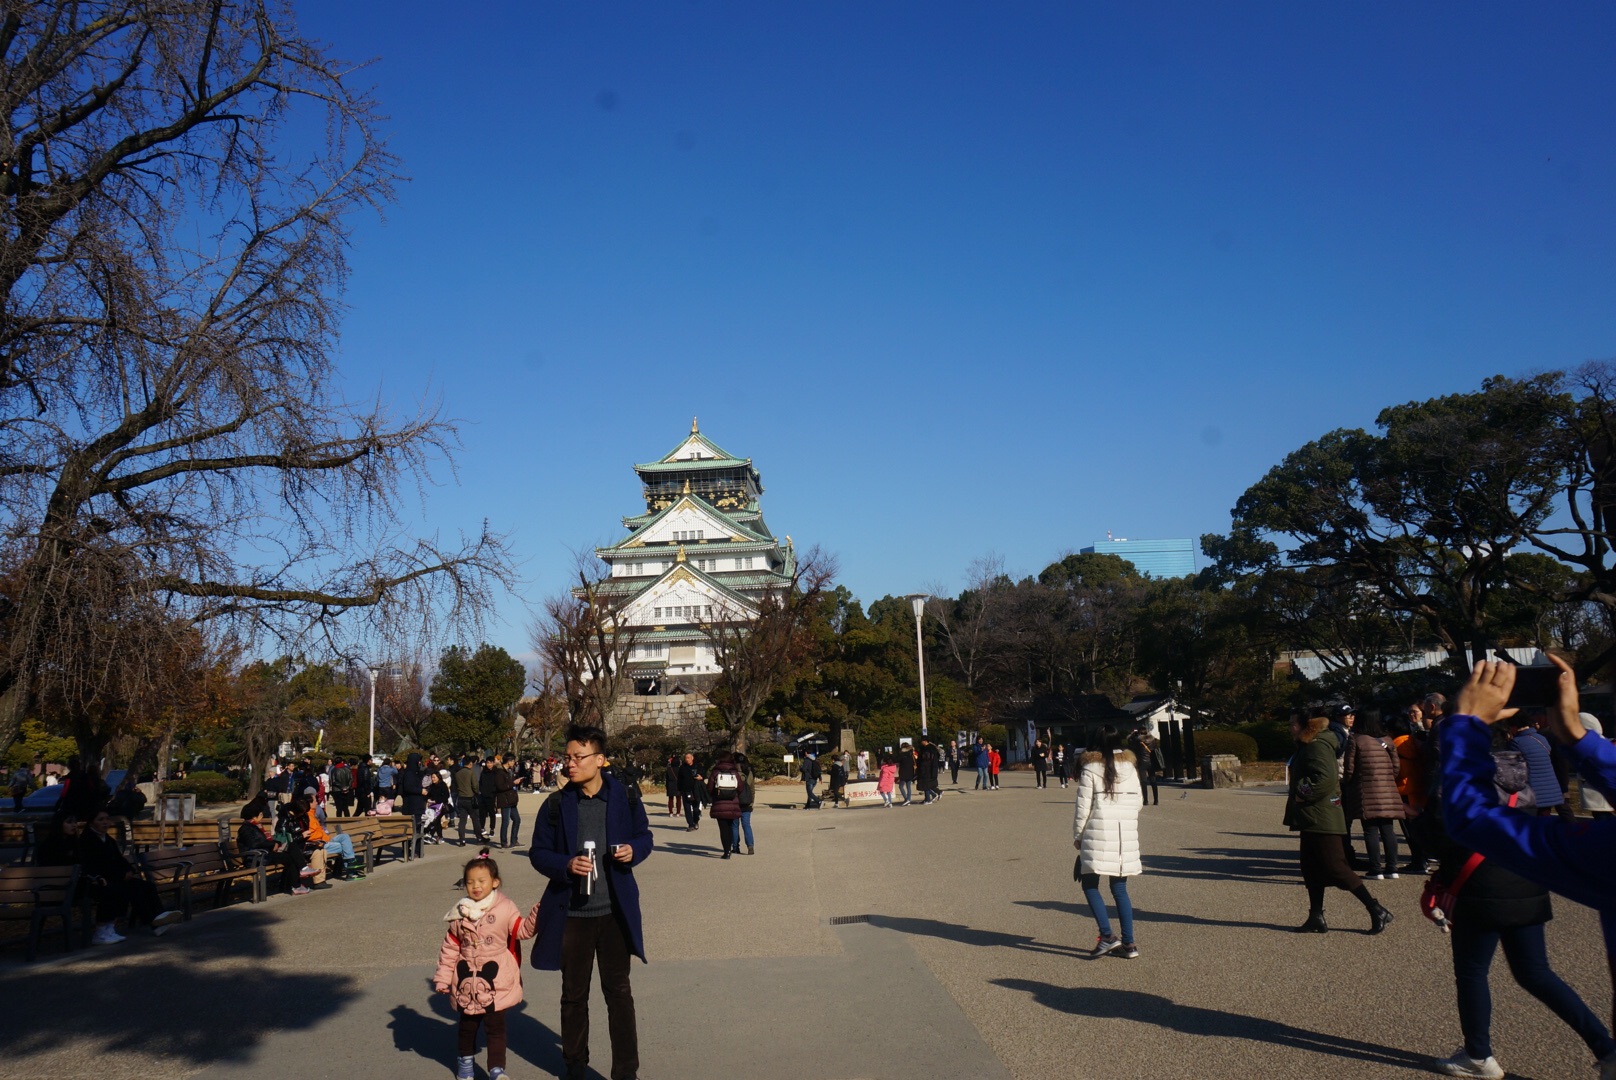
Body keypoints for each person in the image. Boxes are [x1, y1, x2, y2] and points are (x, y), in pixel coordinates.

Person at [1434, 659, 1616, 1080]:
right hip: (1527, 883)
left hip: (1481, 881)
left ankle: (1478, 1054)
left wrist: (1462, 726)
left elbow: (1465, 820)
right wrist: (1576, 737)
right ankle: (1603, 1046)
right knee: (1535, 971)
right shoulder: (1520, 768)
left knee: (1473, 971)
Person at [529, 725, 653, 1080]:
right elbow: (538, 853)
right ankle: (575, 1065)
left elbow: (644, 836)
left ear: (600, 760)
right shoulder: (556, 804)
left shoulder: (624, 797)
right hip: (572, 914)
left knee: (619, 994)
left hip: (614, 911)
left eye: (577, 757)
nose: (569, 764)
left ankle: (625, 1072)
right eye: (567, 757)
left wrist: (634, 850)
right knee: (573, 996)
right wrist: (565, 864)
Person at [436, 849, 541, 1080]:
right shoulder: (459, 913)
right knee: (467, 1028)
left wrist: (537, 914)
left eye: (481, 881)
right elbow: (450, 949)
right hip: (466, 984)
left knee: (496, 1028)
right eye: (470, 882)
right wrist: (443, 978)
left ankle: (496, 1069)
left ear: (495, 882)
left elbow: (521, 930)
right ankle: (465, 1065)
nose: (475, 886)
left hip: (496, 981)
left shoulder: (505, 908)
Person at [1283, 715, 1393, 934]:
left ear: (1305, 725)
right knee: (1311, 868)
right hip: (1311, 816)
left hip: (1322, 815)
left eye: (1292, 723)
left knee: (1337, 867)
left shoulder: (1317, 745)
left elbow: (1325, 778)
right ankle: (1316, 916)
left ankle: (1376, 908)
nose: (1290, 728)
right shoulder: (1308, 744)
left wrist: (1300, 793)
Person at [1072, 725, 1144, 959]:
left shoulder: (1090, 768)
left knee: (1090, 883)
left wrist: (1078, 836)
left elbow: (1083, 808)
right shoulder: (1130, 767)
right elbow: (1139, 802)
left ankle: (1107, 936)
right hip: (1125, 834)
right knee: (1120, 888)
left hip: (1098, 830)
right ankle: (1129, 943)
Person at [79, 808, 183, 942]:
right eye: (101, 819)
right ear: (91, 823)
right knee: (129, 889)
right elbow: (95, 865)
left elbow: (119, 859)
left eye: (107, 819)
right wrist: (121, 874)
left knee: (146, 886)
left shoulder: (108, 839)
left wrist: (129, 870)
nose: (105, 822)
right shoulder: (87, 840)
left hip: (117, 877)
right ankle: (150, 922)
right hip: (99, 881)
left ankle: (159, 917)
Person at [1341, 711, 1405, 880]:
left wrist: (1348, 783)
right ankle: (1392, 867)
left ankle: (1375, 869)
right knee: (1388, 829)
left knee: (1370, 830)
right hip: (1388, 790)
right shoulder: (1387, 740)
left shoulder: (1355, 739)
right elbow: (1396, 768)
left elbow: (1349, 767)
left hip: (1365, 790)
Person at [236, 797, 304, 895]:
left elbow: (260, 842)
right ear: (254, 817)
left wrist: (274, 843)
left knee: (290, 855)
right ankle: (295, 885)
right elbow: (254, 844)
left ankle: (290, 886)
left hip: (263, 855)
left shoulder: (254, 827)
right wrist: (272, 844)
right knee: (289, 858)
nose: (262, 816)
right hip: (255, 858)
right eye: (260, 814)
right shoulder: (245, 829)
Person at [706, 751, 744, 858]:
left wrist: (714, 794)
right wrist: (734, 794)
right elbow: (741, 787)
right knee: (731, 826)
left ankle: (726, 851)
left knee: (723, 829)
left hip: (719, 803)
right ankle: (732, 847)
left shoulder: (715, 771)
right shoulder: (734, 771)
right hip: (732, 803)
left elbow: (709, 787)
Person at [400, 752, 428, 858]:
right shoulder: (409, 773)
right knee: (413, 828)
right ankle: (411, 850)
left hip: (417, 805)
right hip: (411, 806)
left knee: (416, 828)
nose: (419, 763)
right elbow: (408, 787)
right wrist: (420, 791)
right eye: (418, 761)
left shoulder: (416, 772)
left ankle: (416, 849)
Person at [491, 754, 521, 848]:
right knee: (506, 821)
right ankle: (504, 842)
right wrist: (513, 783)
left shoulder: (509, 771)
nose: (513, 763)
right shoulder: (500, 772)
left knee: (517, 819)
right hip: (505, 800)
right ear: (508, 761)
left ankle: (514, 840)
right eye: (512, 761)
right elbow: (500, 787)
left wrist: (517, 782)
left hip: (511, 799)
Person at [1129, 728, 1164, 807]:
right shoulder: (1152, 740)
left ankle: (1146, 800)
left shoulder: (1137, 741)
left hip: (1142, 762)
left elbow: (1130, 745)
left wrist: (1131, 735)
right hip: (1151, 761)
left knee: (1143, 781)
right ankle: (1156, 800)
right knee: (1153, 780)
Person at [734, 752, 756, 855]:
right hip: (747, 802)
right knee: (746, 824)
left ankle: (735, 846)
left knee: (734, 825)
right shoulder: (749, 772)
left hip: (735, 802)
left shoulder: (733, 772)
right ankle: (750, 845)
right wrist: (752, 801)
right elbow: (752, 789)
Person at [454, 757, 480, 845]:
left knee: (462, 820)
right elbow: (475, 786)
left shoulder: (457, 774)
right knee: (475, 819)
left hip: (461, 798)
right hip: (470, 798)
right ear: (470, 764)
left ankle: (462, 839)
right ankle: (479, 838)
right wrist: (476, 792)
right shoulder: (471, 773)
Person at [678, 752, 705, 828]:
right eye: (686, 758)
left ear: (692, 758)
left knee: (696, 808)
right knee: (687, 808)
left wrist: (701, 777)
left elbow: (703, 774)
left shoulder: (698, 766)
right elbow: (679, 779)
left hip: (696, 790)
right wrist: (679, 790)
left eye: (688, 758)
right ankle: (690, 824)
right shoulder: (682, 767)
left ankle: (696, 820)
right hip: (685, 790)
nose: (687, 759)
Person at [917, 736, 942, 804]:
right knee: (925, 784)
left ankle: (928, 799)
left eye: (922, 741)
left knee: (926, 784)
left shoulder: (929, 749)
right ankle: (928, 797)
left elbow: (927, 759)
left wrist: (922, 763)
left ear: (925, 741)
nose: (921, 742)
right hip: (926, 768)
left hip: (927, 768)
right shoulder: (928, 748)